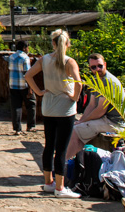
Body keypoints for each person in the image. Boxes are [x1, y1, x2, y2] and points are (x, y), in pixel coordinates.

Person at [26, 29, 82, 199]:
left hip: (48, 107)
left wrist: (39, 92)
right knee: (62, 149)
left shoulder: (44, 60)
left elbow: (28, 76)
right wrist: (74, 97)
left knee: (49, 145)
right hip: (65, 108)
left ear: (52, 43)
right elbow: (79, 82)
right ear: (68, 44)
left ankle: (48, 182)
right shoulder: (69, 61)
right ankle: (60, 187)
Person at [65, 53, 124, 157]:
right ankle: (74, 163)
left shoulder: (108, 81)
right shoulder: (96, 80)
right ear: (90, 68)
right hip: (104, 119)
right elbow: (91, 105)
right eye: (93, 67)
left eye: (100, 66)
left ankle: (64, 164)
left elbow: (101, 110)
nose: (97, 69)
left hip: (114, 123)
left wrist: (82, 121)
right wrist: (81, 120)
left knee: (75, 131)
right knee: (75, 127)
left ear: (105, 64)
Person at [7, 40, 36, 134]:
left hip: (13, 85)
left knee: (16, 107)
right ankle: (31, 126)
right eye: (27, 47)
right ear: (24, 48)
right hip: (24, 86)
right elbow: (27, 74)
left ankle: (17, 128)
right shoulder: (25, 58)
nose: (28, 49)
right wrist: (30, 89)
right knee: (31, 104)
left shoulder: (11, 57)